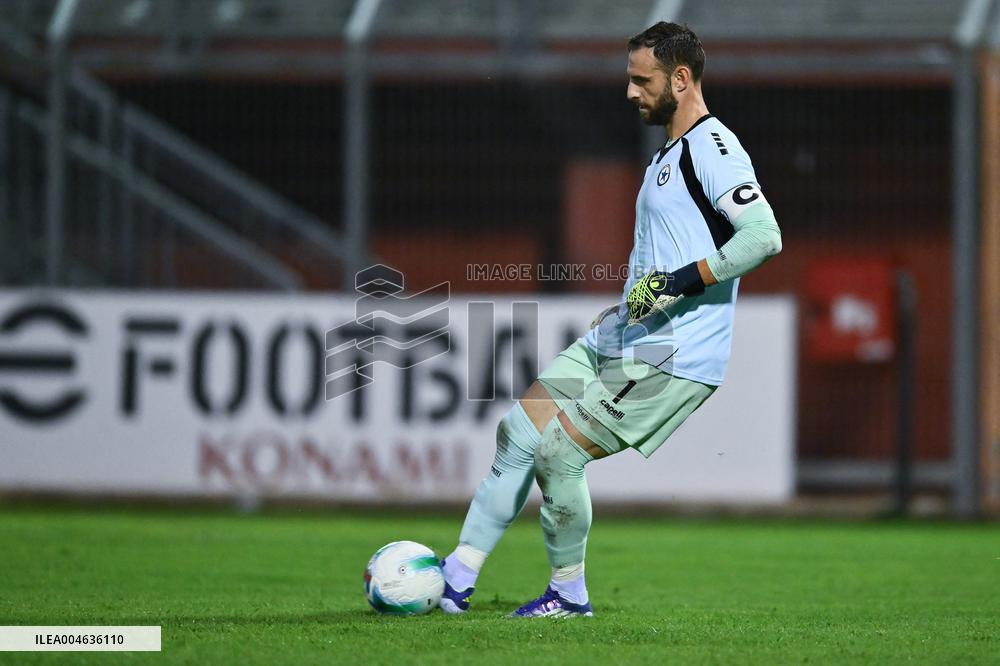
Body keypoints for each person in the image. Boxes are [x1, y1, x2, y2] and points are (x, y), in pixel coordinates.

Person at [439, 21, 783, 618]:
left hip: (670, 352)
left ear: (681, 78)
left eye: (640, 80)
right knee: (520, 432)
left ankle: (569, 594)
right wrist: (630, 301)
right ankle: (454, 580)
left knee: (558, 455)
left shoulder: (715, 149)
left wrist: (677, 284)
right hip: (625, 334)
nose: (630, 92)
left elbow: (764, 236)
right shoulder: (667, 154)